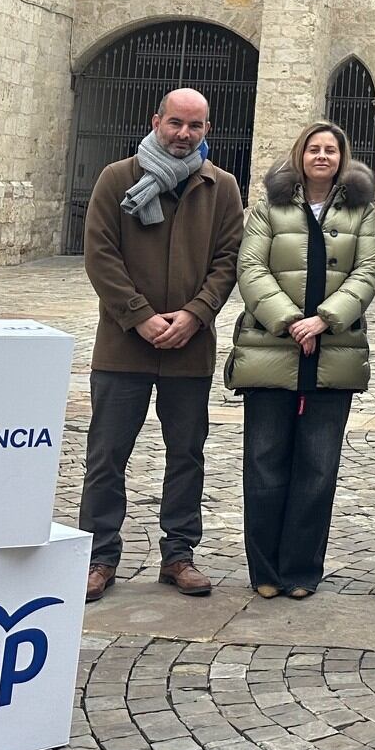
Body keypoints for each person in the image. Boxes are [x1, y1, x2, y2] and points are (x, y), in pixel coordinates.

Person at [79, 88, 244, 602]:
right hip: (123, 346)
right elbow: (100, 254)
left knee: (186, 454)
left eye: (195, 126)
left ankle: (179, 554)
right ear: (157, 121)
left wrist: (196, 315)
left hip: (190, 348)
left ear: (207, 131)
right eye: (175, 123)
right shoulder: (117, 178)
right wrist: (140, 316)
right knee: (107, 455)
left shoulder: (222, 188)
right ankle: (99, 556)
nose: (183, 134)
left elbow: (228, 259)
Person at [226, 122, 375, 599]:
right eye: (314, 149)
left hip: (333, 353)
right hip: (270, 351)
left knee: (318, 467)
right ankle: (266, 571)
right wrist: (290, 320)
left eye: (330, 150)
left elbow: (368, 270)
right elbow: (250, 267)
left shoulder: (360, 212)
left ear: (342, 157)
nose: (321, 156)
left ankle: (301, 571)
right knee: (264, 461)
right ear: (301, 155)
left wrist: (325, 320)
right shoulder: (269, 207)